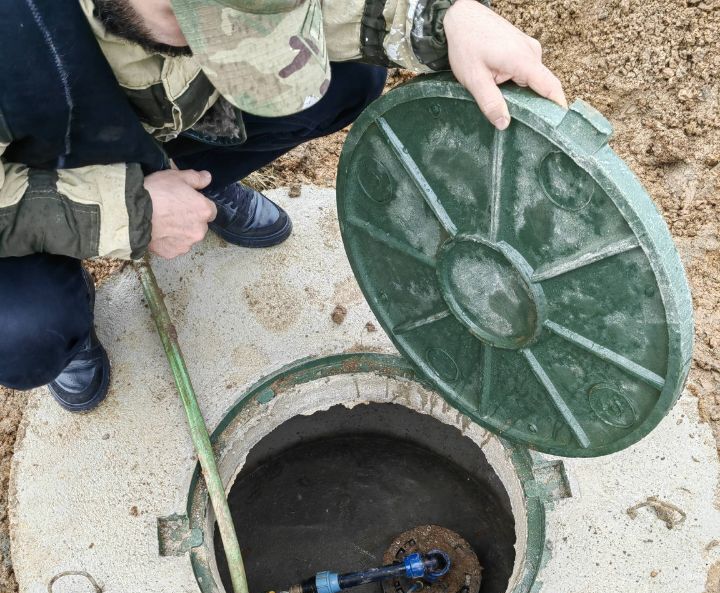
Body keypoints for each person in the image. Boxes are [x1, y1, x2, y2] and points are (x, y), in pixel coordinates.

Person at [0, 0, 566, 412]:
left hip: (151, 114)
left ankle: (198, 189)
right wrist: (129, 212)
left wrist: (440, 20)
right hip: (27, 179)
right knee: (24, 333)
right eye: (195, 20)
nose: (224, 41)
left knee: (348, 78)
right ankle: (70, 328)